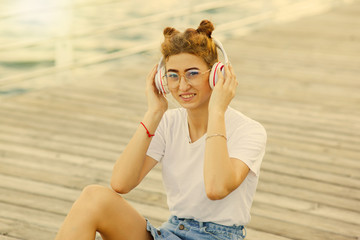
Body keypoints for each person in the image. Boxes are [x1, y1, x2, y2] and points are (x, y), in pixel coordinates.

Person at [55, 19, 266, 240]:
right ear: (162, 80)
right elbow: (121, 183)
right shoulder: (168, 122)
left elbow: (216, 187)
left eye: (192, 73)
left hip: (218, 236)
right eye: (173, 75)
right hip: (172, 232)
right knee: (94, 197)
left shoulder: (249, 130)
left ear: (216, 74)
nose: (182, 86)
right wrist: (154, 113)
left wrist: (217, 112)